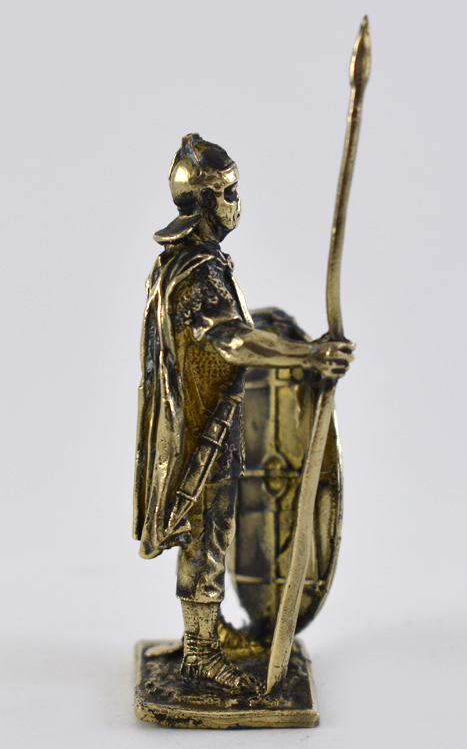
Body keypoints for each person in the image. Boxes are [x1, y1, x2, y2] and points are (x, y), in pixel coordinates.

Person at [133, 134, 354, 692]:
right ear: (206, 203)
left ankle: (201, 635)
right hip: (204, 432)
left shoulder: (180, 263)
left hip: (202, 424)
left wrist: (285, 338)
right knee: (208, 536)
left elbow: (231, 330)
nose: (237, 203)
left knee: (201, 535)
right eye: (229, 192)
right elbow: (232, 341)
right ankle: (202, 654)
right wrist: (307, 356)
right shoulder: (199, 270)